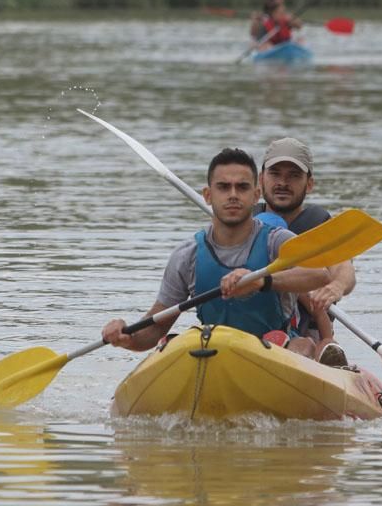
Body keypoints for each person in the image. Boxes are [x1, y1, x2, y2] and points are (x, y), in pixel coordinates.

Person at [102, 148, 332, 359]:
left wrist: (261, 281)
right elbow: (155, 329)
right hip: (215, 351)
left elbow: (319, 275)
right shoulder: (187, 255)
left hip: (276, 351)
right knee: (172, 343)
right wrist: (126, 337)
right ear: (208, 195)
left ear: (255, 195)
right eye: (223, 187)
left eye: (242, 187)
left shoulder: (278, 241)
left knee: (303, 345)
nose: (233, 195)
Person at [253, 138, 355, 365]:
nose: (283, 182)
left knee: (306, 344)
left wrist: (336, 287)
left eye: (294, 176)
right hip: (249, 323)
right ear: (261, 180)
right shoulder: (245, 222)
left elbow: (344, 269)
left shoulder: (320, 226)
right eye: (275, 174)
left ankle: (325, 357)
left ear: (309, 184)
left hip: (307, 330)